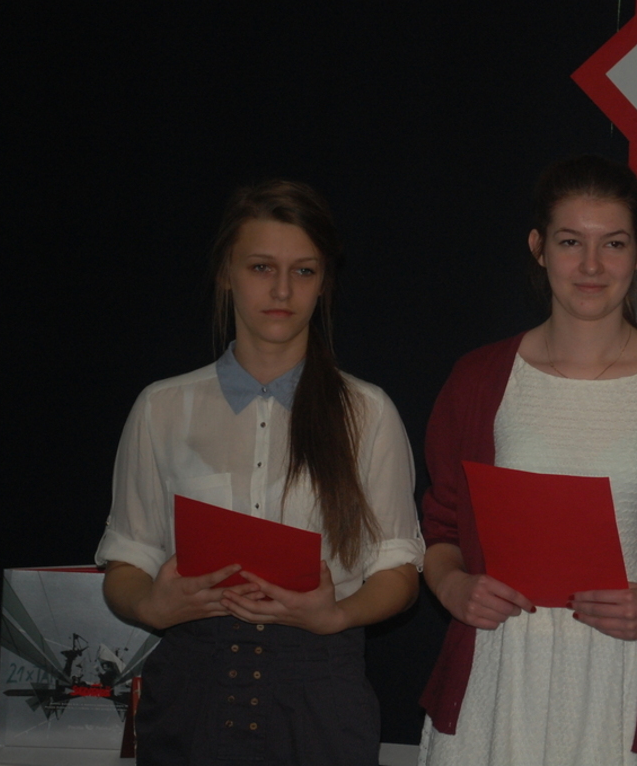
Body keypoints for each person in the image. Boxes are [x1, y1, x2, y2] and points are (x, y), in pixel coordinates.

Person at [416, 155, 637, 765]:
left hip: (626, 684)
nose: (591, 266)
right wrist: (453, 586)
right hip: (498, 678)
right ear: (538, 248)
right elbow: (441, 527)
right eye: (571, 242)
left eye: (613, 243)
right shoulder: (480, 380)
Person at [95, 180, 424, 765]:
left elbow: (397, 569)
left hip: (319, 700)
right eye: (261, 267)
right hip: (192, 698)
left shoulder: (367, 412)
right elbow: (126, 558)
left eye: (304, 271)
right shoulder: (161, 407)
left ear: (323, 283)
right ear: (227, 272)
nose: (282, 289)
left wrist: (336, 613)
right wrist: (151, 606)